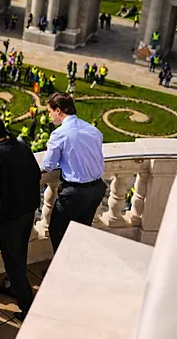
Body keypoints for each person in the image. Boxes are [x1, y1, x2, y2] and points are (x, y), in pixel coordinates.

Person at [0, 117, 42, 320]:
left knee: (12, 262)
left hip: (9, 214)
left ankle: (27, 306)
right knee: (20, 253)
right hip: (28, 208)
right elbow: (36, 173)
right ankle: (12, 285)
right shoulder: (22, 146)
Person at [42, 93, 106, 251]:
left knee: (57, 230)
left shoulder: (60, 134)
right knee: (81, 232)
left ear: (58, 111)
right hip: (97, 188)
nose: (50, 116)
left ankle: (62, 269)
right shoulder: (92, 130)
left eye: (50, 112)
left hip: (75, 193)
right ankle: (77, 265)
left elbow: (48, 165)